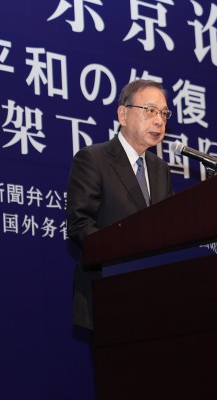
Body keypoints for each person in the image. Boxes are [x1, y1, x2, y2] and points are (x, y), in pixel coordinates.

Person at [66, 79, 174, 330]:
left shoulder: (161, 169)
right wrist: (123, 253)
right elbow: (80, 224)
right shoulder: (93, 159)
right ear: (123, 115)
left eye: (163, 113)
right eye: (150, 110)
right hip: (110, 289)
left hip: (157, 295)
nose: (159, 121)